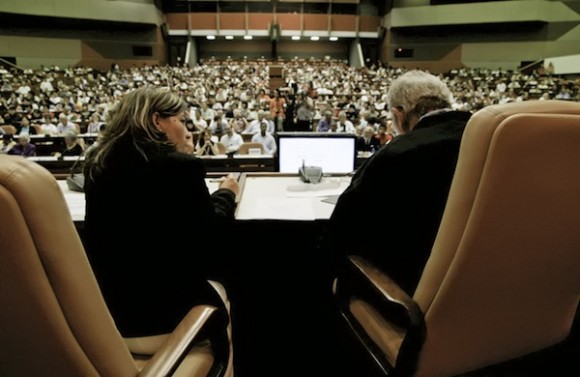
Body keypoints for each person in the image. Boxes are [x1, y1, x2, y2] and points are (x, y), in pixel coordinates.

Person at [82, 86, 239, 337]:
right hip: (166, 315)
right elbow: (211, 238)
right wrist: (227, 193)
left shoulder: (98, 163)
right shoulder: (179, 167)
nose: (188, 130)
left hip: (110, 313)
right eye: (182, 121)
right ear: (157, 121)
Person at [319, 70, 473, 296]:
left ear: (398, 115)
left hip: (411, 297)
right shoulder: (493, 139)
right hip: (492, 292)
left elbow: (339, 235)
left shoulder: (397, 153)